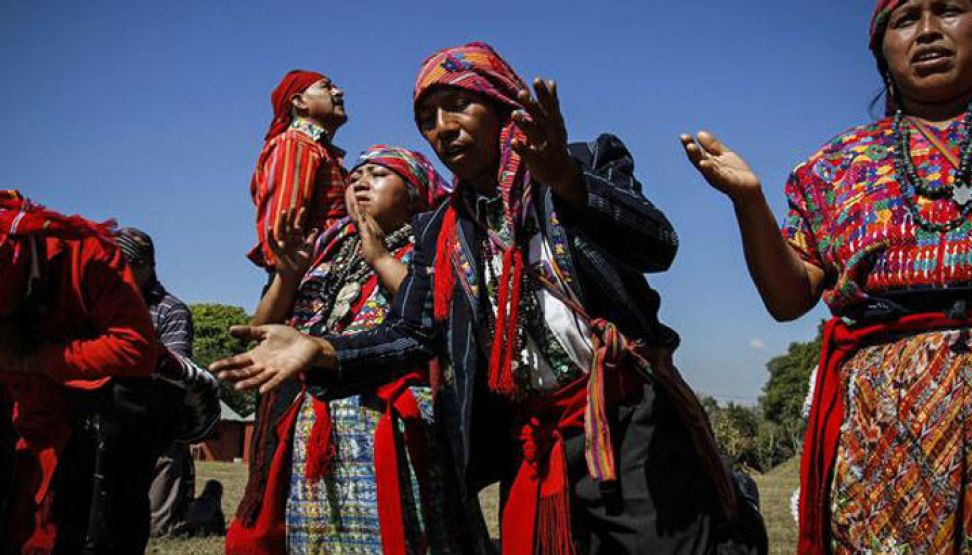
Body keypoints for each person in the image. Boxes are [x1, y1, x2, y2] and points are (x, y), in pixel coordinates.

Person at [214, 43, 763, 554]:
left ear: (501, 106)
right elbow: (416, 329)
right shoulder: (444, 229)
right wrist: (323, 350)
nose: (442, 129)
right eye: (428, 120)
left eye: (458, 108)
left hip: (625, 423)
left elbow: (658, 245)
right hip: (534, 439)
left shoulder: (588, 159)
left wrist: (569, 182)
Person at [682, 1, 972, 551]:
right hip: (886, 420)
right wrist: (749, 203)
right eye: (905, 20)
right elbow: (788, 297)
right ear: (882, 52)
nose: (927, 32)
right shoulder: (835, 166)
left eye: (949, 10)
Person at [226, 144, 487, 554]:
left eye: (380, 174)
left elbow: (439, 317)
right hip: (318, 425)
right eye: (355, 177)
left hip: (400, 426)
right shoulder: (327, 252)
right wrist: (288, 275)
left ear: (415, 188)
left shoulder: (436, 241)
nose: (361, 182)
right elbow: (260, 332)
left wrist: (381, 258)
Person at [0, 191, 158, 553]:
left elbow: (135, 349)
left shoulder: (89, 255)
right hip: (20, 416)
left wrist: (36, 361)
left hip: (91, 422)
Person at [115, 227, 211, 539]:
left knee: (158, 529)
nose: (117, 269)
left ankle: (208, 508)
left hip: (158, 420)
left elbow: (177, 374)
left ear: (147, 266)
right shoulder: (104, 304)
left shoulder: (171, 310)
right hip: (113, 415)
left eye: (126, 263)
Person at [248, 70, 349, 272]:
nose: (339, 92)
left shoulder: (320, 151)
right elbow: (281, 238)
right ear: (299, 102)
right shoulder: (294, 144)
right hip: (308, 284)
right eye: (326, 86)